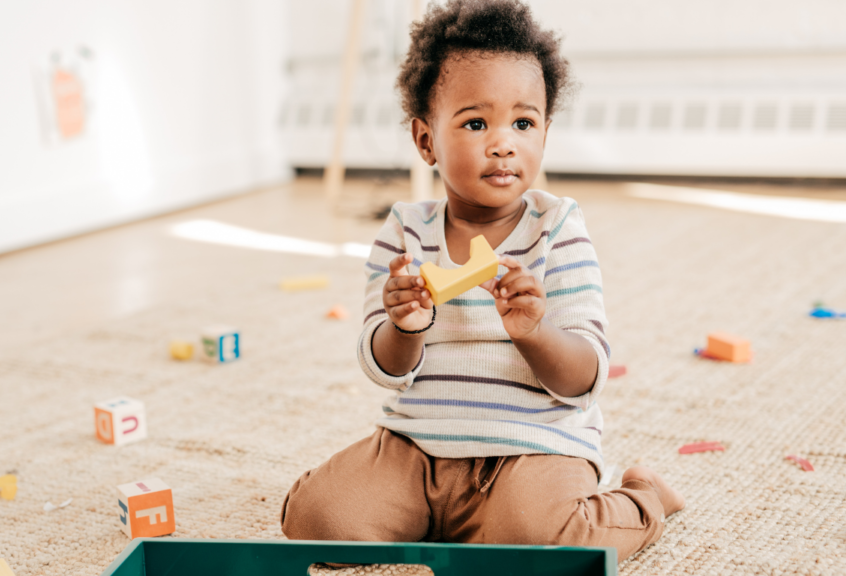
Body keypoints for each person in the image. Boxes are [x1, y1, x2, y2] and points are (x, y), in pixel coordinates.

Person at [281, 0, 684, 562]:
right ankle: (451, 520)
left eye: (524, 122)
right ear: (426, 142)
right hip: (417, 448)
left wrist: (535, 332)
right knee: (319, 519)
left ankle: (643, 500)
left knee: (540, 543)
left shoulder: (556, 228)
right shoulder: (404, 233)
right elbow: (384, 367)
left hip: (532, 449)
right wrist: (406, 328)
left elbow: (585, 376)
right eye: (476, 123)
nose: (503, 143)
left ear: (546, 131)